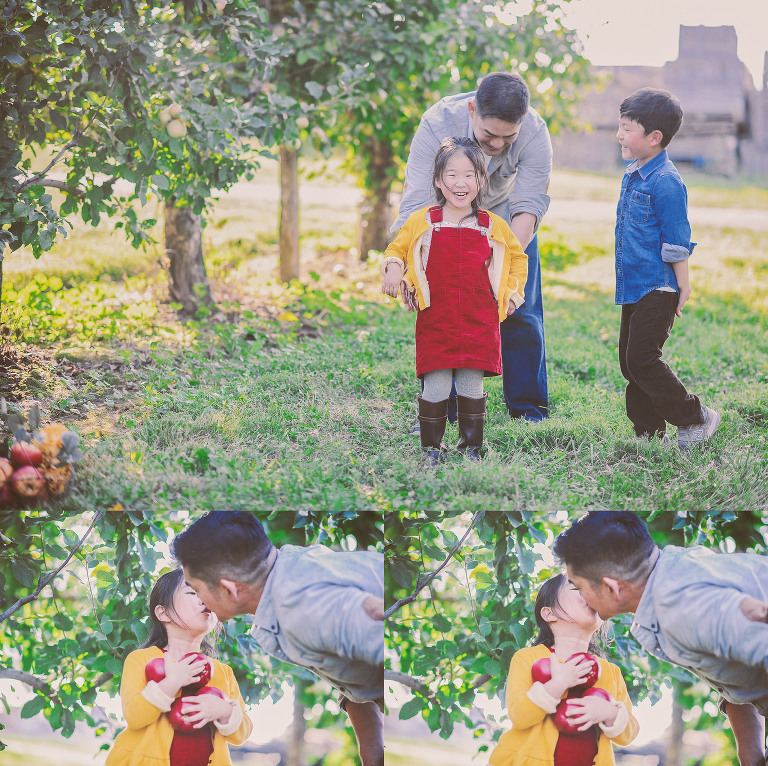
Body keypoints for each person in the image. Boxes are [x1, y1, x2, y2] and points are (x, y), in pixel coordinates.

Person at [392, 71, 552, 423]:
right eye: (487, 135)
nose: (495, 145)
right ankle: (446, 406)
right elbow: (417, 199)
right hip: (447, 220)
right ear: (470, 110)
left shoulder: (535, 133)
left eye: (506, 138)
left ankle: (528, 409)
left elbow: (530, 203)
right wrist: (407, 262)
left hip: (508, 222)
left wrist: (506, 261)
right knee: (446, 309)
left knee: (521, 310)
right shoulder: (437, 123)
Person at [553, 511, 768, 766]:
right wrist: (750, 755)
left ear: (612, 587)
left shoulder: (683, 607)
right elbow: (738, 671)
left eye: (578, 587)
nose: (580, 597)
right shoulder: (677, 569)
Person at [171, 511, 384, 766]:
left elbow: (380, 636)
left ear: (229, 588)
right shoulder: (290, 566)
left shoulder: (302, 609)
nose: (200, 600)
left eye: (197, 589)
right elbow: (352, 671)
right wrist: (371, 754)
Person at [381, 136, 527, 465]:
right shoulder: (423, 221)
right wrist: (392, 270)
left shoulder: (493, 226)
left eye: (469, 175)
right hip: (436, 318)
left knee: (471, 384)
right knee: (435, 383)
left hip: (479, 318)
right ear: (437, 180)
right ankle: (431, 449)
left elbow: (518, 259)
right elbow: (398, 249)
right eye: (451, 174)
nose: (460, 183)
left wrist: (513, 294)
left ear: (481, 180)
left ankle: (472, 448)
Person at [614, 87, 720, 448]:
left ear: (654, 137)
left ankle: (696, 417)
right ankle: (648, 434)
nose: (619, 135)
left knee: (642, 358)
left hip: (658, 287)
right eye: (620, 126)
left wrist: (682, 285)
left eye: (627, 129)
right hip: (635, 285)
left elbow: (677, 241)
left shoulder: (667, 182)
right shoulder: (635, 173)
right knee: (630, 363)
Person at [106, 568, 253, 766]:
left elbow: (242, 733)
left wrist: (225, 710)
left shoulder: (223, 672)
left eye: (210, 594)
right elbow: (135, 716)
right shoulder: (140, 660)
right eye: (193, 593)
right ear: (163, 612)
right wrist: (173, 682)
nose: (205, 599)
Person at [489, 573, 639, 766]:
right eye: (578, 588)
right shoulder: (527, 658)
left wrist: (611, 713)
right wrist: (558, 684)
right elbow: (520, 716)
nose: (591, 593)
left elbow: (629, 734)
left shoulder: (611, 673)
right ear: (549, 613)